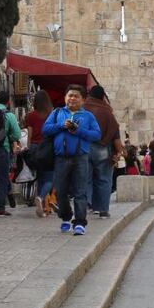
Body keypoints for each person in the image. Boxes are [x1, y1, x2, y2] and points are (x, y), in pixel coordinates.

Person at [43, 84, 101, 236]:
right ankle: (66, 216)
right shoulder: (57, 113)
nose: (72, 98)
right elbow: (46, 129)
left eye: (76, 96)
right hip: (61, 158)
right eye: (70, 95)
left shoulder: (88, 116)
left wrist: (78, 130)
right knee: (61, 191)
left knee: (80, 191)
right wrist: (61, 126)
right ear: (65, 98)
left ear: (82, 100)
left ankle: (80, 222)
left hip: (81, 157)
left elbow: (96, 135)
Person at [83, 85, 123, 220]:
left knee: (85, 177)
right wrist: (119, 151)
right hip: (102, 149)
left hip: (84, 147)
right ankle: (103, 210)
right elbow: (115, 134)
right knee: (104, 179)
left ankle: (88, 204)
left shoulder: (82, 109)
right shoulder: (108, 113)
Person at [24, 89, 54, 218]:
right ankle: (40, 197)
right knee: (51, 178)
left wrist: (29, 148)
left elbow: (29, 134)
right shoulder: (52, 114)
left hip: (35, 147)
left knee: (40, 177)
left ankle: (42, 207)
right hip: (48, 147)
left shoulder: (30, 115)